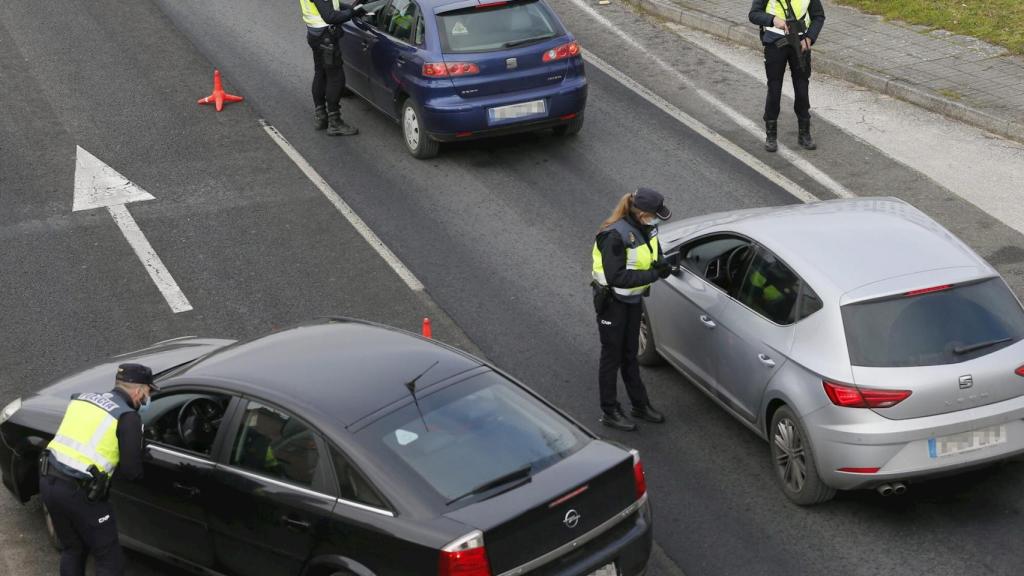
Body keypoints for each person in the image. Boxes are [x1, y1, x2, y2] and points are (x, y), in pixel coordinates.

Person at [40, 363, 156, 576]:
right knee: (109, 560)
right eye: (148, 392)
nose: (147, 399)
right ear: (139, 391)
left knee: (73, 549)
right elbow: (132, 472)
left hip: (48, 480)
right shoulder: (128, 417)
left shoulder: (83, 399)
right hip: (80, 494)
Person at [591, 187, 674, 431]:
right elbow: (616, 277)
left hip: (632, 300)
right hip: (612, 303)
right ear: (642, 214)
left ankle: (639, 404)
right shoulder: (613, 235)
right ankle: (610, 410)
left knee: (630, 354)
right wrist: (653, 274)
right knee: (611, 358)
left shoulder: (647, 227)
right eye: (655, 214)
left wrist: (662, 264)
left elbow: (652, 251)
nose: (658, 218)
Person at [749, 0, 825, 152]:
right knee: (774, 88)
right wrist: (772, 20)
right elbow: (754, 14)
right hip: (775, 42)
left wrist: (810, 38)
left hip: (800, 42)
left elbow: (819, 16)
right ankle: (771, 135)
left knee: (802, 88)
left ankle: (804, 133)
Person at [301, 0, 362, 136]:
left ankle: (321, 116)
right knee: (336, 77)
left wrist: (350, 8)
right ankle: (335, 122)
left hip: (315, 34)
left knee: (320, 73)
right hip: (325, 37)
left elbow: (330, 4)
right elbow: (330, 16)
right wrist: (352, 12)